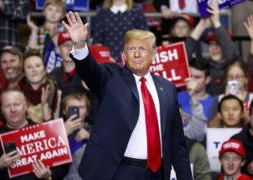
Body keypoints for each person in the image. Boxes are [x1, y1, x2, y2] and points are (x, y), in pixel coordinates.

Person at [63, 12, 192, 180]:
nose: (137, 54)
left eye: (142, 49)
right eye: (132, 49)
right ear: (124, 55)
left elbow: (177, 142)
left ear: (153, 54)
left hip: (158, 173)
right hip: (121, 171)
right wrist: (80, 44)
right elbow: (90, 71)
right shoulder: (111, 77)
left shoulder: (167, 87)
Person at [0, 89, 69, 179]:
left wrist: (49, 175)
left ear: (25, 106)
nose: (12, 109)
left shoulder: (43, 131)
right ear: (2, 109)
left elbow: (63, 167)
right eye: (7, 105)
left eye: (16, 104)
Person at [185, 0, 238, 96]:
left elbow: (230, 53)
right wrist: (202, 24)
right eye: (210, 44)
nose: (214, 48)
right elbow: (183, 57)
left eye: (218, 44)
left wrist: (216, 22)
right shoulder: (204, 65)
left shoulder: (232, 65)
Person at [178, 58, 214, 142]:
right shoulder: (175, 97)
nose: (192, 80)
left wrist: (192, 96)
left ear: (207, 80)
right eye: (190, 76)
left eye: (197, 77)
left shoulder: (214, 103)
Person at [18, 53, 60, 123]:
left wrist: (45, 106)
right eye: (29, 67)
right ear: (24, 72)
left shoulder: (56, 89)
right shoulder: (17, 91)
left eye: (38, 66)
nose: (34, 70)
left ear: (45, 70)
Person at [27, 0, 66, 73]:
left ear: (63, 15)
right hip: (39, 72)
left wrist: (54, 36)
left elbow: (66, 55)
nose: (53, 13)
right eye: (50, 9)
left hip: (59, 72)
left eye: (57, 11)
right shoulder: (38, 31)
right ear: (44, 11)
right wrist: (34, 31)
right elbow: (30, 54)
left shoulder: (65, 31)